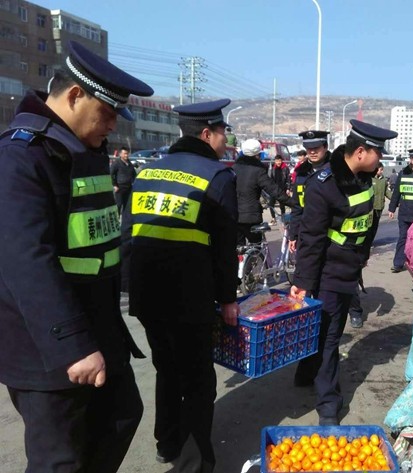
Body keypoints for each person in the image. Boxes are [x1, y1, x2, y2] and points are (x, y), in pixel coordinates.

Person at [0, 40, 151, 473]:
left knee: (122, 415)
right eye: (107, 113)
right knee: (59, 460)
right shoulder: (21, 157)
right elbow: (26, 262)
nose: (113, 126)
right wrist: (72, 346)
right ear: (74, 95)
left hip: (98, 327)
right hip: (49, 347)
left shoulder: (79, 149)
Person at [128, 99, 240, 471]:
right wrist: (228, 299)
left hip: (147, 295)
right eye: (223, 132)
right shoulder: (217, 175)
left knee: (166, 369)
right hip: (190, 297)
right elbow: (224, 247)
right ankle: (195, 462)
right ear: (207, 134)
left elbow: (130, 234)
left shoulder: (148, 171)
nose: (225, 140)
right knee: (197, 380)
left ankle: (167, 442)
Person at [290, 119, 398, 426]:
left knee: (324, 331)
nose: (381, 159)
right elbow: (311, 239)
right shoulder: (323, 185)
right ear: (361, 152)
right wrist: (302, 283)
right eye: (378, 153)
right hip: (329, 272)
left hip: (350, 268)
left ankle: (305, 374)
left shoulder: (364, 179)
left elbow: (367, 223)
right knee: (329, 338)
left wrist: (362, 256)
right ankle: (328, 405)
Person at [348, 161, 392, 328]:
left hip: (353, 247)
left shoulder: (365, 187)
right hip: (331, 246)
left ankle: (355, 312)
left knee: (351, 281)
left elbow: (365, 228)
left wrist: (364, 254)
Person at [232, 139, 290, 245]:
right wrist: (292, 203)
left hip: (234, 215)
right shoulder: (258, 170)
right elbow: (274, 190)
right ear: (258, 155)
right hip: (251, 216)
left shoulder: (233, 168)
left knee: (238, 247)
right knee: (256, 247)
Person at [288, 130, 331, 253]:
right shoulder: (301, 173)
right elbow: (297, 207)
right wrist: (293, 235)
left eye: (316, 148)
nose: (312, 152)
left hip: (331, 236)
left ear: (325, 147)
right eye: (309, 148)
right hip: (306, 235)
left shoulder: (337, 170)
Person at [111, 145, 136, 213]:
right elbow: (111, 174)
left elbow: (133, 174)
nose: (126, 155)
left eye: (127, 153)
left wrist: (134, 182)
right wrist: (115, 185)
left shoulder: (129, 163)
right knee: (119, 204)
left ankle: (125, 219)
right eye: (125, 154)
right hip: (120, 187)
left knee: (127, 205)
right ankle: (117, 218)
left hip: (129, 187)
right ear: (120, 154)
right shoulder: (116, 163)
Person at [267, 154, 291, 224]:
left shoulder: (285, 168)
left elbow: (288, 179)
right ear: (275, 161)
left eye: (279, 161)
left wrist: (288, 188)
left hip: (282, 189)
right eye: (277, 161)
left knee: (282, 205)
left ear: (282, 161)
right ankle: (273, 218)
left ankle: (283, 218)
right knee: (271, 204)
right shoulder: (273, 168)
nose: (278, 162)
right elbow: (270, 178)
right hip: (274, 189)